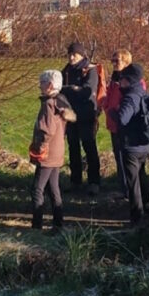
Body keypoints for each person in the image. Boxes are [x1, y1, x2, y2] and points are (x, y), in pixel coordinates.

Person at [29, 70, 75, 232]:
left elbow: (46, 129)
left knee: (37, 189)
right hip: (58, 150)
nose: (39, 85)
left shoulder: (49, 104)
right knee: (53, 188)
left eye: (42, 82)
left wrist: (39, 146)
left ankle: (37, 225)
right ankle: (58, 222)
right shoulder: (61, 101)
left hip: (47, 152)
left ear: (49, 85)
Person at [115, 63, 149, 225]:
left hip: (131, 145)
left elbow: (122, 119)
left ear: (128, 80)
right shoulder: (143, 93)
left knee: (133, 182)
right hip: (144, 144)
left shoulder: (130, 97)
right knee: (142, 177)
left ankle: (136, 216)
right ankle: (148, 208)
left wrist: (114, 112)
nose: (120, 83)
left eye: (122, 79)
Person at [61, 42, 100, 194]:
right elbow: (60, 89)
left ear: (82, 55)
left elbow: (87, 92)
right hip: (70, 115)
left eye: (74, 54)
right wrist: (73, 90)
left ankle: (94, 182)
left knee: (89, 148)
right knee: (73, 149)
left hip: (86, 116)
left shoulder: (90, 70)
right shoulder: (66, 70)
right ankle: (75, 181)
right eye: (69, 54)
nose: (71, 57)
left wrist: (69, 90)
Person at [103, 49, 136, 198]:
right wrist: (107, 107)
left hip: (125, 125)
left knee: (126, 159)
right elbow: (108, 97)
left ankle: (130, 191)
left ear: (127, 62)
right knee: (119, 158)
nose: (114, 64)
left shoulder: (131, 80)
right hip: (113, 124)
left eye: (117, 61)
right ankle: (124, 189)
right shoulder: (115, 78)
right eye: (113, 60)